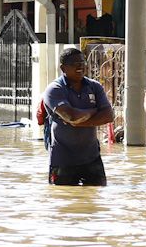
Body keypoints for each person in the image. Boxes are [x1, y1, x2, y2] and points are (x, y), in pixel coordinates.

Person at [42, 46, 115, 186]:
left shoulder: (95, 87)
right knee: (64, 200)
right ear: (63, 68)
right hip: (63, 160)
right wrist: (93, 111)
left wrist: (79, 121)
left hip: (91, 158)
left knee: (96, 199)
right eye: (75, 65)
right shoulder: (54, 89)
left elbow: (108, 115)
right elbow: (72, 116)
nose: (80, 67)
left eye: (83, 64)